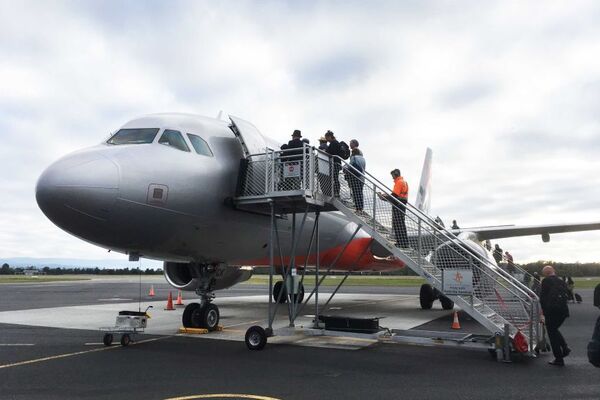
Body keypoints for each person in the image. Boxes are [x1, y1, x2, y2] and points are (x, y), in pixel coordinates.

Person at [540, 265, 571, 366]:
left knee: (552, 333)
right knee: (554, 330)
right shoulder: (561, 281)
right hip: (563, 311)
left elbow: (543, 298)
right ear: (553, 271)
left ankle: (559, 358)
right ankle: (565, 348)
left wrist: (543, 313)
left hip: (552, 311)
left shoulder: (545, 281)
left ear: (545, 273)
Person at [379, 169, 409, 247]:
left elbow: (394, 196)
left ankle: (400, 243)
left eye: (392, 176)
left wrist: (383, 197)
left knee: (397, 224)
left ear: (395, 175)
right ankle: (404, 243)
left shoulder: (399, 182)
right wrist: (386, 196)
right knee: (401, 223)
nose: (392, 178)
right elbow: (395, 195)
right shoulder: (404, 182)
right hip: (402, 203)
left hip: (398, 204)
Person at [325, 130, 342, 197]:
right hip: (337, 163)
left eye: (326, 138)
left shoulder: (333, 143)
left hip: (334, 163)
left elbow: (331, 152)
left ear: (329, 137)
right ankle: (336, 191)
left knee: (334, 178)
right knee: (335, 178)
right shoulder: (336, 142)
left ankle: (335, 192)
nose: (326, 139)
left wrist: (326, 151)